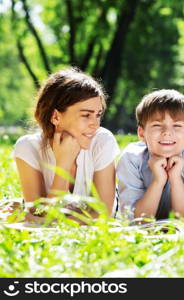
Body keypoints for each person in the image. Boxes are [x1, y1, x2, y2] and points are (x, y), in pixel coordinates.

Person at [13, 68, 119, 220]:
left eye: (98, 115)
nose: (95, 124)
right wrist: (63, 163)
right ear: (55, 116)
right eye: (86, 115)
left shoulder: (102, 141)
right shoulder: (28, 148)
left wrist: (47, 219)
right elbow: (38, 213)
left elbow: (103, 215)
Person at [116, 89, 184, 221]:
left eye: (177, 125)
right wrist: (158, 180)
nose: (167, 132)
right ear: (141, 133)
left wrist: (175, 178)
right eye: (157, 125)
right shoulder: (131, 158)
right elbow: (135, 221)